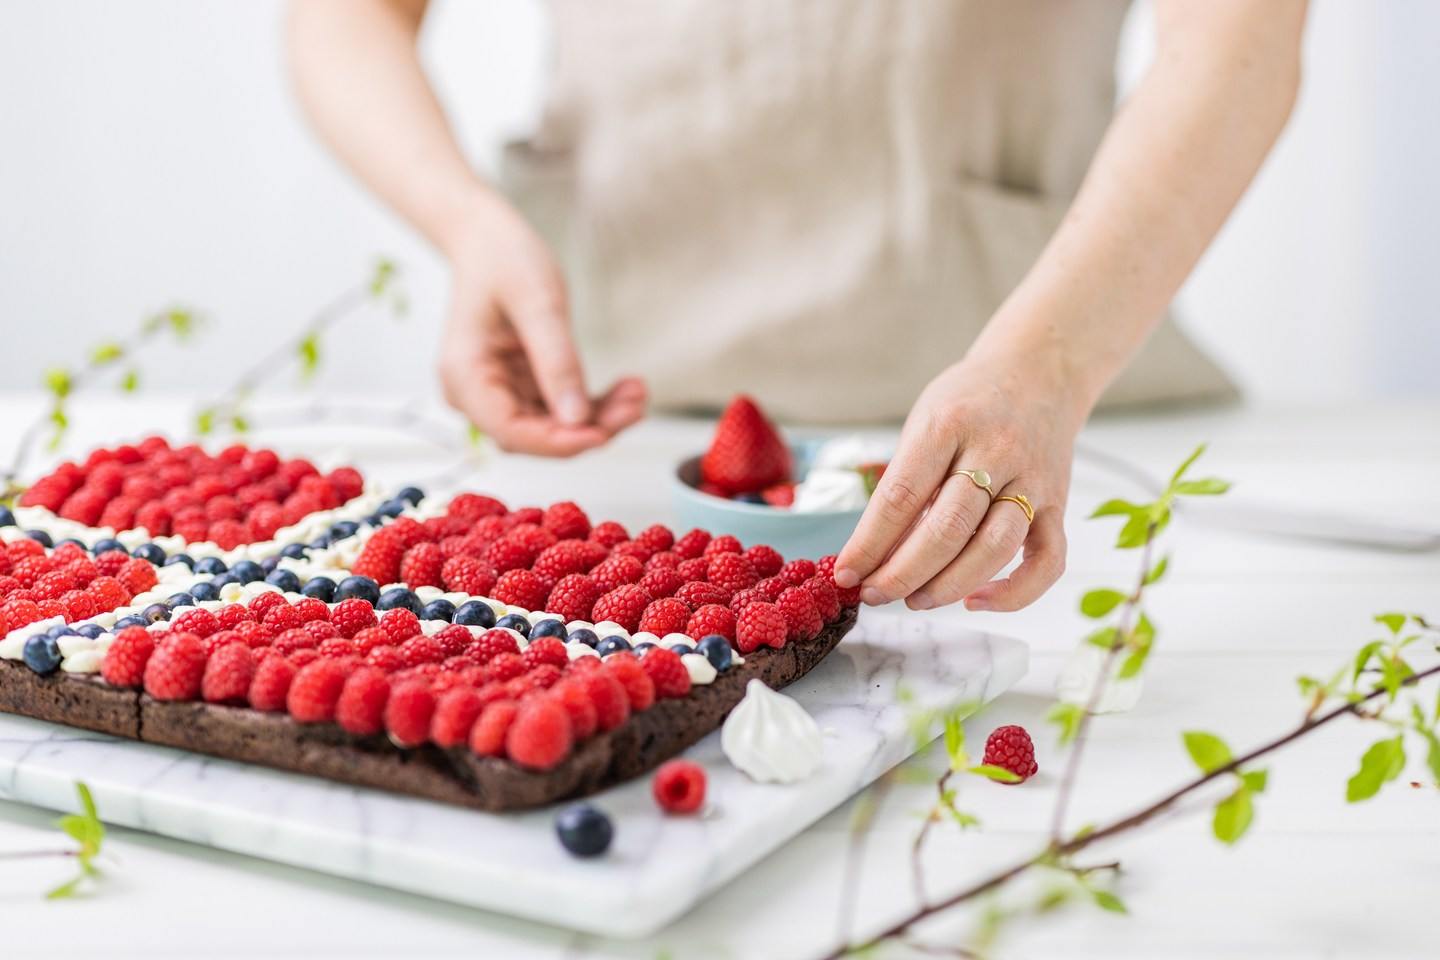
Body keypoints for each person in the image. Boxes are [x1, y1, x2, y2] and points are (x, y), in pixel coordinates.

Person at [288, 0, 1306, 613]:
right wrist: (468, 224)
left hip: (1053, 449)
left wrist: (1048, 365)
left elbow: (1238, 36)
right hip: (602, 437)